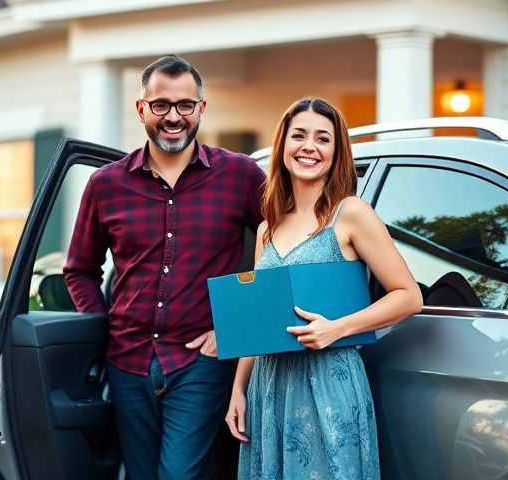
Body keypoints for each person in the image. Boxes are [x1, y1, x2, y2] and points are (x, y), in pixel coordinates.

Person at [63, 54, 266, 480]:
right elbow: (79, 269)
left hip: (200, 361)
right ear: (142, 109)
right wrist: (100, 328)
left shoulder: (241, 176)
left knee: (178, 475)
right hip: (127, 362)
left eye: (185, 105)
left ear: (201, 109)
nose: (173, 117)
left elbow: (280, 250)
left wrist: (233, 327)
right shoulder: (106, 185)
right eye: (161, 106)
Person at [226, 97, 423, 479]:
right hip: (269, 385)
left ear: (337, 152)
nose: (309, 147)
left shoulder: (351, 214)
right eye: (298, 136)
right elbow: (257, 318)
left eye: (323, 139)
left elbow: (408, 295)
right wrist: (238, 389)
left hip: (328, 381)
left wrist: (337, 328)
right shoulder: (269, 227)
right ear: (283, 144)